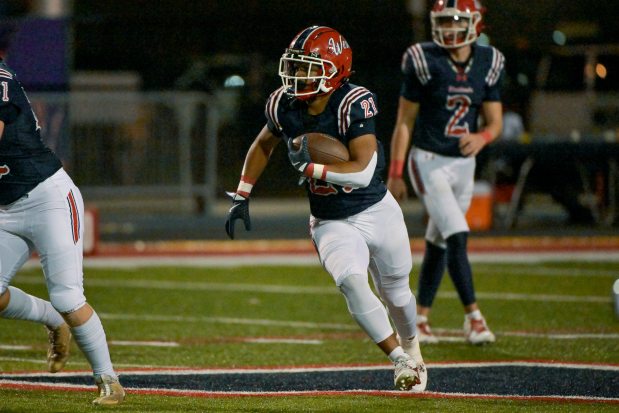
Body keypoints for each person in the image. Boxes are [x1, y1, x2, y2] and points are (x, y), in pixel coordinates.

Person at [225, 26, 427, 392]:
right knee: (350, 280)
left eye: (307, 68)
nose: (297, 76)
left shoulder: (354, 101)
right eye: (296, 67)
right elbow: (262, 144)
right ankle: (399, 359)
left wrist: (313, 167)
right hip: (330, 219)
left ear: (334, 70)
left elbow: (364, 170)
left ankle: (411, 344)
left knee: (397, 294)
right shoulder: (282, 104)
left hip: (376, 208)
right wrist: (242, 194)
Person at [0, 31, 125, 405]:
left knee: (69, 296)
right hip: (5, 206)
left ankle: (109, 381)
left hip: (45, 197)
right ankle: (50, 319)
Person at [387, 0, 504, 345]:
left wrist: (482, 136)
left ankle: (420, 320)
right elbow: (404, 121)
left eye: (457, 20)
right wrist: (396, 172)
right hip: (428, 160)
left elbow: (495, 122)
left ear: (476, 23)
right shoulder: (424, 59)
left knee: (439, 241)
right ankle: (474, 318)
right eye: (444, 20)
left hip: (463, 165)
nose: (449, 28)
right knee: (457, 234)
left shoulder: (489, 61)